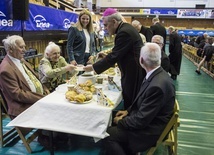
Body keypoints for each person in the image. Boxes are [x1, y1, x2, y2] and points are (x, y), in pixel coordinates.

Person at [103, 43, 175, 155]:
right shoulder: (157, 75)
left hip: (149, 131)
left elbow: (141, 121)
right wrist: (128, 111)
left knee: (106, 134)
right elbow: (142, 102)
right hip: (150, 121)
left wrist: (121, 121)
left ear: (141, 60)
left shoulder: (157, 85)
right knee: (112, 116)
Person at [84, 8, 146, 109]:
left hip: (133, 72)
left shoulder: (124, 32)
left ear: (113, 22)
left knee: (131, 101)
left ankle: (128, 120)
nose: (105, 28)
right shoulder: (125, 28)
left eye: (105, 25)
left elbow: (115, 56)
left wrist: (93, 67)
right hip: (133, 69)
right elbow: (119, 53)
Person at [0, 35, 49, 118]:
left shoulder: (21, 59)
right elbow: (18, 94)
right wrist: (42, 98)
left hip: (37, 99)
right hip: (24, 107)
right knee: (55, 113)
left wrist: (44, 89)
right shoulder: (5, 70)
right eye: (21, 47)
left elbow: (35, 78)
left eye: (24, 46)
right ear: (10, 49)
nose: (25, 50)